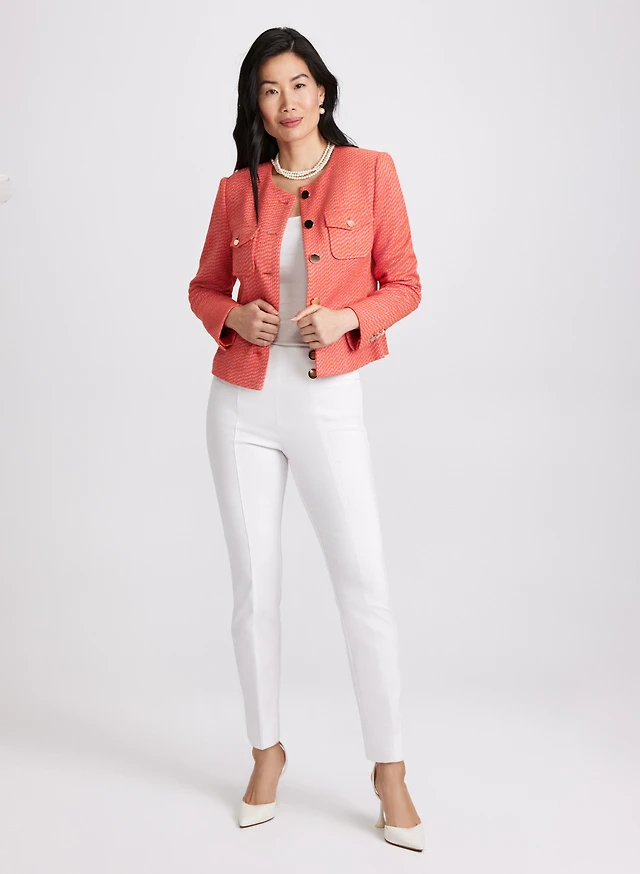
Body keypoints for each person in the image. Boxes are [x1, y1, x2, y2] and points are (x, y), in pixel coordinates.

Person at [188, 26, 424, 852]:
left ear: (322, 90)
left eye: (297, 84)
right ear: (255, 105)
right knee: (255, 588)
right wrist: (231, 316)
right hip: (241, 404)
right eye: (268, 89)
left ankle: (389, 770)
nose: (285, 102)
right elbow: (203, 286)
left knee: (364, 586)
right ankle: (266, 753)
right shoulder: (237, 189)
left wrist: (349, 315)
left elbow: (406, 283)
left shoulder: (370, 172)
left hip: (328, 401)